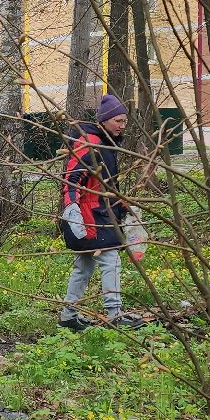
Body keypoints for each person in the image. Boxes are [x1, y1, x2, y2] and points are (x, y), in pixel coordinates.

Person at [59, 93, 141, 331]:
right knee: (111, 260)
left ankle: (68, 316)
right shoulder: (90, 142)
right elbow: (72, 179)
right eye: (118, 121)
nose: (122, 125)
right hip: (90, 216)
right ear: (104, 120)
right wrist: (71, 207)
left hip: (102, 212)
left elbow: (106, 185)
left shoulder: (105, 144)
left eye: (124, 121)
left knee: (84, 266)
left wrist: (123, 207)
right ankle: (115, 315)